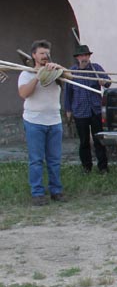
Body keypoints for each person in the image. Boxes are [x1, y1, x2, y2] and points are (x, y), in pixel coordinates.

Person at [18, 40, 65, 206]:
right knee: (36, 160)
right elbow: (24, 93)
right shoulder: (26, 73)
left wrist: (60, 69)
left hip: (54, 121)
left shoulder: (56, 72)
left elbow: (70, 78)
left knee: (54, 160)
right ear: (34, 55)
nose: (45, 56)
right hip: (34, 121)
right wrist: (37, 77)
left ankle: (56, 191)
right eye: (41, 53)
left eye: (47, 53)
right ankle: (37, 193)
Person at [63, 44, 111, 174]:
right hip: (80, 111)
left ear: (89, 56)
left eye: (86, 55)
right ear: (77, 58)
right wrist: (68, 110)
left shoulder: (96, 68)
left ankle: (103, 167)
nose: (84, 58)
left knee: (99, 140)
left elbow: (108, 82)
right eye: (81, 56)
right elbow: (68, 93)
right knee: (84, 141)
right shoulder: (72, 72)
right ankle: (86, 167)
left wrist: (104, 82)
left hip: (96, 110)